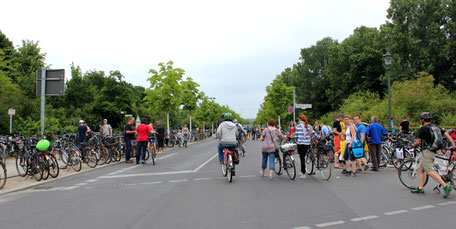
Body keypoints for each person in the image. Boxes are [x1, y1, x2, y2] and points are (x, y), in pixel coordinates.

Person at [411, 112, 456, 197]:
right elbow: (447, 135)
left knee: (428, 170)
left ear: (422, 120)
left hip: (428, 151)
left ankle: (446, 186)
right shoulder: (436, 127)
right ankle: (420, 188)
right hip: (433, 150)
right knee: (420, 169)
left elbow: (418, 142)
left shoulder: (423, 129)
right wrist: (453, 145)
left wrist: (413, 145)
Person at [295, 114, 317, 179]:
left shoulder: (298, 126)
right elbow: (313, 134)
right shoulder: (309, 126)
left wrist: (296, 142)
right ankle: (302, 171)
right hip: (307, 144)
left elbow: (296, 136)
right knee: (303, 158)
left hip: (300, 144)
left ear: (300, 119)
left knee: (302, 158)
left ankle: (303, 173)